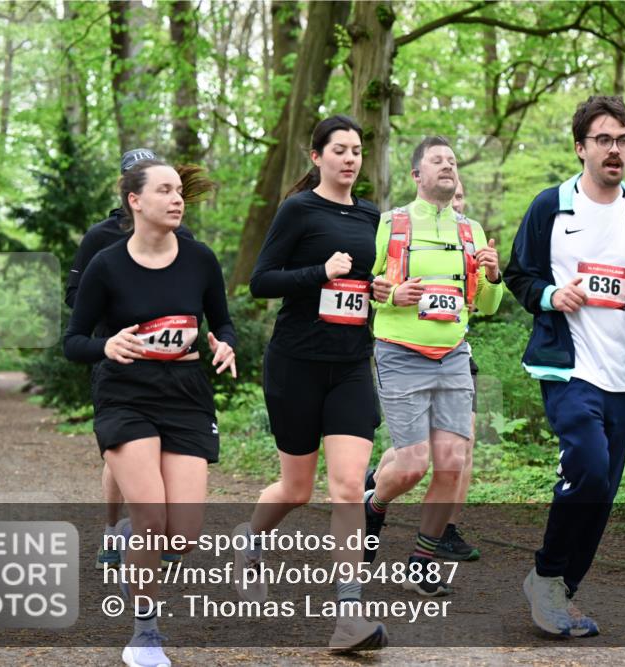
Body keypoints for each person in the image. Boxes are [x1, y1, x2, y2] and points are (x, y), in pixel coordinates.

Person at [504, 95, 625, 637]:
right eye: (604, 140)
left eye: (623, 139)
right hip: (569, 367)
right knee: (585, 463)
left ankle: (559, 588)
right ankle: (548, 572)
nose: (615, 150)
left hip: (624, 374)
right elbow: (519, 275)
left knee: (601, 488)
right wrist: (552, 295)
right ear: (581, 147)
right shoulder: (550, 208)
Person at [64, 158, 237, 667]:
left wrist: (224, 345)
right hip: (126, 394)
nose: (177, 198)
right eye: (164, 190)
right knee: (151, 517)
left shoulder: (201, 260)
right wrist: (106, 346)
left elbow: (224, 324)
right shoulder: (108, 264)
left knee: (181, 537)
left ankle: (127, 542)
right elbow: (73, 341)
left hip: (185, 393)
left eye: (180, 190)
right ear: (135, 201)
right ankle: (145, 634)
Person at [236, 114, 393, 652]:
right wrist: (319, 273)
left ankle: (348, 615)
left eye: (356, 151)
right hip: (296, 364)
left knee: (349, 486)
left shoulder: (373, 215)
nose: (351, 159)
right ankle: (250, 537)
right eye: (340, 150)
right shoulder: (298, 210)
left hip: (350, 364)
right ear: (317, 156)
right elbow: (261, 281)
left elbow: (368, 286)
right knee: (297, 489)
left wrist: (385, 291)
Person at [365, 137, 503, 595]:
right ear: (416, 175)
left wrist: (494, 276)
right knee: (411, 465)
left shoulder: (472, 231)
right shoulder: (390, 223)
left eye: (453, 161)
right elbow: (363, 283)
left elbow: (485, 303)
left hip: (453, 354)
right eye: (437, 160)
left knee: (453, 460)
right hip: (400, 351)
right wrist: (383, 292)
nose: (448, 165)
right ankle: (375, 502)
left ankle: (421, 561)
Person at [66, 148, 196, 572]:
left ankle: (153, 528)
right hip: (116, 359)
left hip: (172, 371)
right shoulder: (99, 239)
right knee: (118, 458)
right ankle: (110, 531)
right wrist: (115, 325)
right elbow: (75, 300)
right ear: (130, 192)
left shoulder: (184, 239)